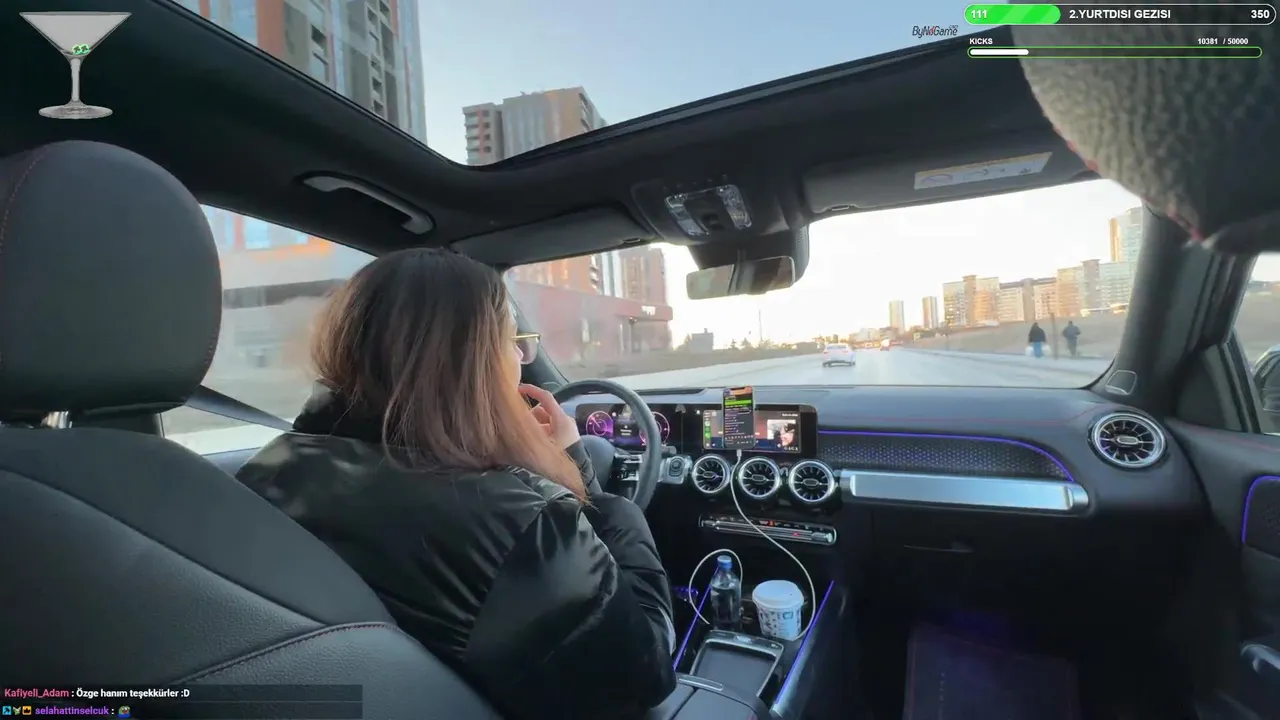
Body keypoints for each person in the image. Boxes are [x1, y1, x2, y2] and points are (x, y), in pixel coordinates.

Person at [236, 248, 677, 719]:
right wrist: (608, 505)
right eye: (512, 341)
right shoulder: (526, 527)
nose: (520, 358)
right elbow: (643, 674)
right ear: (474, 363)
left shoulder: (266, 471)